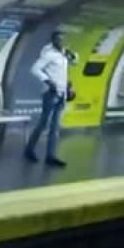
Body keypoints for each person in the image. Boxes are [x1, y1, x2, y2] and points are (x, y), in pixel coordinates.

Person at [25, 30, 75, 167]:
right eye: (58, 39)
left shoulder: (64, 55)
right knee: (44, 123)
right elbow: (35, 69)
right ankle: (29, 149)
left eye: (63, 39)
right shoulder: (49, 55)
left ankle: (51, 156)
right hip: (50, 93)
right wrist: (48, 81)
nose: (61, 42)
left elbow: (70, 67)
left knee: (55, 126)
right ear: (53, 41)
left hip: (61, 93)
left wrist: (69, 86)